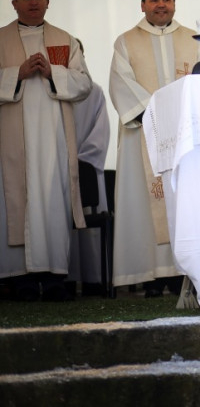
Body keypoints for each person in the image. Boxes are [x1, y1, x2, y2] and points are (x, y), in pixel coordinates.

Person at [0, 0, 92, 301]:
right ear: (14, 3)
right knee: (15, 199)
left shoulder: (65, 40)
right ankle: (19, 279)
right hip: (12, 141)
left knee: (53, 199)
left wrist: (54, 72)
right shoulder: (1, 39)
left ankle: (54, 276)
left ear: (48, 2)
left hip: (54, 140)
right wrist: (17, 74)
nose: (33, 2)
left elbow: (84, 84)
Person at [109, 0, 198, 297]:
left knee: (185, 200)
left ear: (174, 2)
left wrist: (180, 114)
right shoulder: (126, 41)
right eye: (154, 0)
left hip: (183, 134)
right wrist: (157, 113)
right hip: (143, 134)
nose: (161, 5)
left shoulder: (194, 39)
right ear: (142, 4)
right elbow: (120, 83)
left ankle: (182, 272)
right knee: (144, 203)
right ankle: (151, 275)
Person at [69, 40, 111, 295]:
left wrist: (78, 160)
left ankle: (94, 280)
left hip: (86, 170)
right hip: (59, 171)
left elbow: (100, 134)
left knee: (89, 230)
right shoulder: (51, 91)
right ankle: (65, 280)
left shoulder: (94, 92)